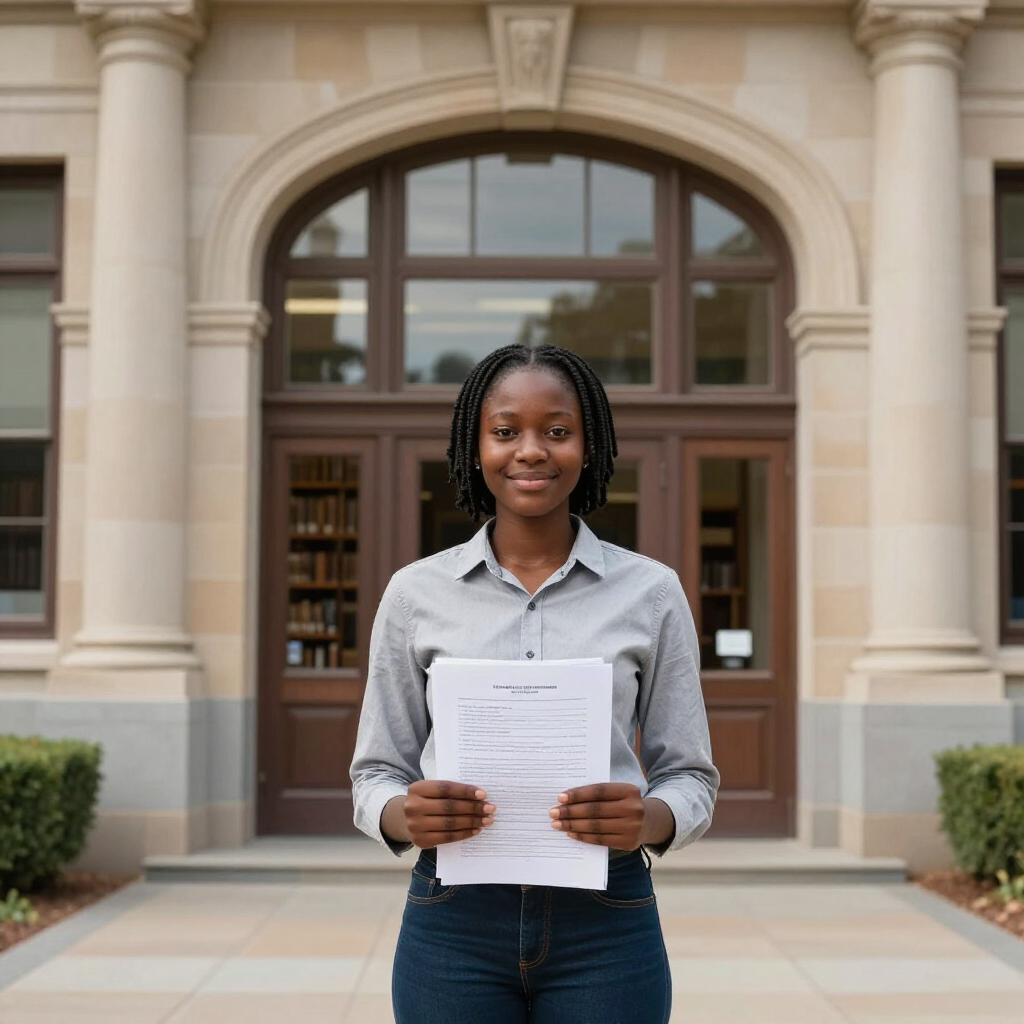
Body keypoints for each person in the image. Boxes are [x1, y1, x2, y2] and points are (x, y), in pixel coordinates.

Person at [350, 343, 719, 1024]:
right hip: (453, 918)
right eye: (505, 431)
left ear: (589, 446)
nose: (530, 450)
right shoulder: (414, 594)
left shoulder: (652, 592)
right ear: (475, 446)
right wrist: (403, 815)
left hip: (606, 917)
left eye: (557, 431)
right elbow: (377, 771)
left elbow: (690, 775)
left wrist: (650, 818)